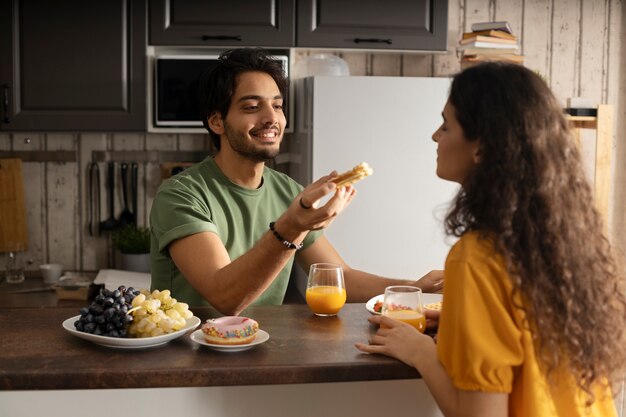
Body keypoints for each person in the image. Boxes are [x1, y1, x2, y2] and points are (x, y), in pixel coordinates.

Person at [356, 62, 626, 416]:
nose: (435, 136)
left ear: (481, 148)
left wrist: (420, 352)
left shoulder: (476, 257)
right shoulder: (566, 241)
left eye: (446, 125)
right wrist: (456, 323)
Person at [149, 48, 443, 315]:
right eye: (252, 107)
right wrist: (292, 226)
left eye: (277, 106)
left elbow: (339, 280)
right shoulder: (181, 195)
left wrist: (413, 288)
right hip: (190, 356)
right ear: (217, 122)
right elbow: (224, 298)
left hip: (259, 347)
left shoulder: (287, 191)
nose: (271, 118)